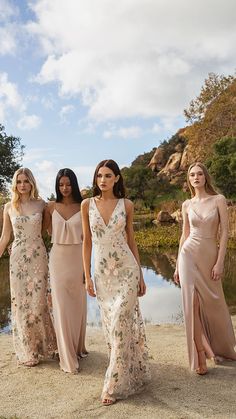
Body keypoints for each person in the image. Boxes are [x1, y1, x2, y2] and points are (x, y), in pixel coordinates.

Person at [81, 159, 150, 405]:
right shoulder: (86, 204)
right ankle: (130, 371)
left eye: (108, 176)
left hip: (126, 270)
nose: (103, 180)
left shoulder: (127, 205)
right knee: (112, 327)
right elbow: (87, 242)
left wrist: (141, 274)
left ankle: (111, 384)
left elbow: (131, 241)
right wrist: (87, 276)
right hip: (102, 274)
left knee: (121, 320)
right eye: (99, 175)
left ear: (117, 178)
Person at [174, 162, 236, 375]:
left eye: (200, 174)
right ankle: (200, 356)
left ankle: (224, 348)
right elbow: (184, 234)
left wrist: (219, 262)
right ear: (189, 179)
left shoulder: (218, 200)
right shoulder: (187, 204)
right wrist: (176, 265)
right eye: (192, 175)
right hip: (188, 255)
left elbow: (225, 233)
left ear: (205, 176)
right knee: (192, 304)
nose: (196, 177)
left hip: (209, 256)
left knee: (216, 302)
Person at [0, 168, 56, 366]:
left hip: (38, 256)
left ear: (32, 183)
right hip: (17, 259)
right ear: (14, 184)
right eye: (19, 181)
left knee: (39, 302)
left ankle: (46, 346)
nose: (22, 185)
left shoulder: (42, 204)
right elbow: (5, 237)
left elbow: (47, 230)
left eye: (26, 181)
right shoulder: (8, 207)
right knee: (22, 304)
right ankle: (29, 350)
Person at [44, 168, 87, 374]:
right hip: (58, 259)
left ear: (74, 184)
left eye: (68, 184)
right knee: (61, 307)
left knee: (77, 306)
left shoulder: (84, 205)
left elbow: (89, 239)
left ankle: (77, 347)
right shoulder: (50, 207)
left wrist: (87, 269)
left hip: (78, 258)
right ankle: (67, 356)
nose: (65, 188)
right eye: (61, 184)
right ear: (57, 185)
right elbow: (42, 231)